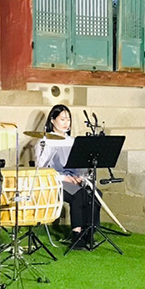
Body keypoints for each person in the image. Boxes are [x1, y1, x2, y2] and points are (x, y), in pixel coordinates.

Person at [35, 104, 101, 247]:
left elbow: (80, 166)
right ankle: (77, 234)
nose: (66, 123)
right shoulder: (45, 142)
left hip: (73, 179)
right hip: (55, 181)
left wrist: (81, 177)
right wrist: (63, 178)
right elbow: (40, 170)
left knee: (95, 193)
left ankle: (89, 232)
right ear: (52, 120)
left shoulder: (73, 142)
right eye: (62, 119)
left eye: (68, 119)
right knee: (78, 194)